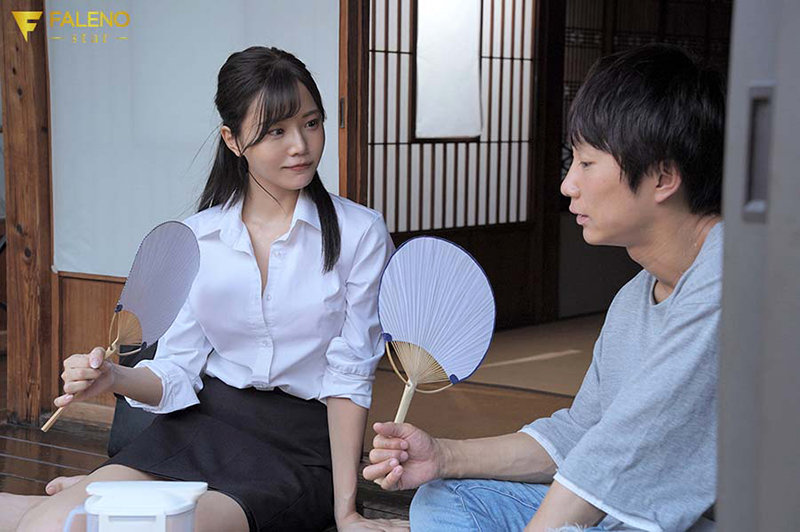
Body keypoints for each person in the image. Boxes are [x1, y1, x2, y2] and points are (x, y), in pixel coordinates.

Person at [9, 47, 407, 532]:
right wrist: (113, 378)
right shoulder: (198, 237)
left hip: (297, 448)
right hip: (199, 425)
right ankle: (70, 498)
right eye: (276, 131)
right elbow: (177, 370)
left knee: (145, 527)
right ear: (232, 139)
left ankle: (79, 494)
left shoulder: (360, 234)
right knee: (52, 524)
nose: (301, 145)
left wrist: (346, 511)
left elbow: (349, 377)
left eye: (311, 123)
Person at [364, 43, 725, 532]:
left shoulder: (727, 275)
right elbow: (582, 433)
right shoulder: (633, 300)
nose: (567, 184)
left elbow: (612, 454)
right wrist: (444, 456)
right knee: (446, 501)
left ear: (662, 176)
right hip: (619, 509)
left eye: (587, 163)